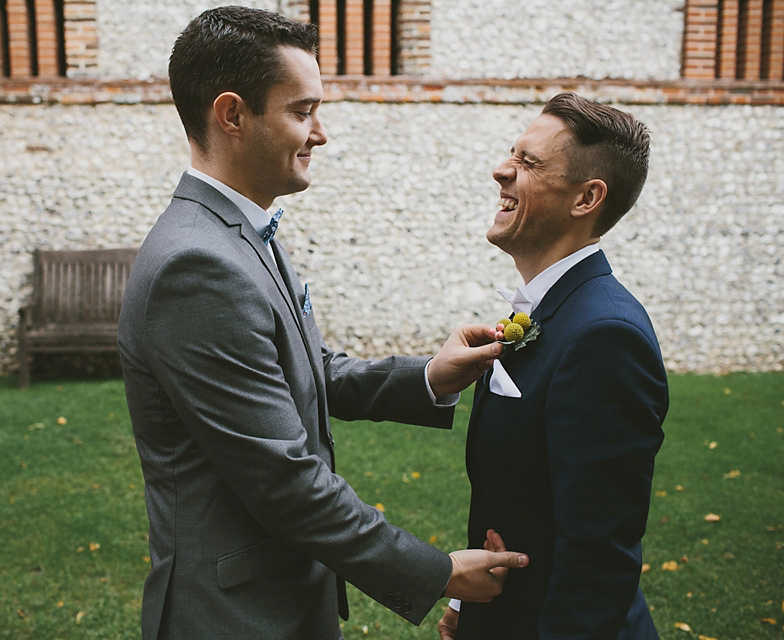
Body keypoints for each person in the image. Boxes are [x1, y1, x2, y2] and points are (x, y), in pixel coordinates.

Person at [117, 6, 528, 639]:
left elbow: (308, 371)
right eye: (302, 111)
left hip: (278, 597)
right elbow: (284, 481)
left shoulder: (239, 232)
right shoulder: (196, 265)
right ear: (232, 115)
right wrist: (437, 570)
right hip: (234, 617)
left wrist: (429, 377)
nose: (321, 134)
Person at [439, 92, 669, 640]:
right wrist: (476, 610)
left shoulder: (604, 335)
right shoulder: (550, 310)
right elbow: (521, 497)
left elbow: (599, 555)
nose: (501, 170)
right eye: (511, 154)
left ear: (587, 197)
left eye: (528, 163)